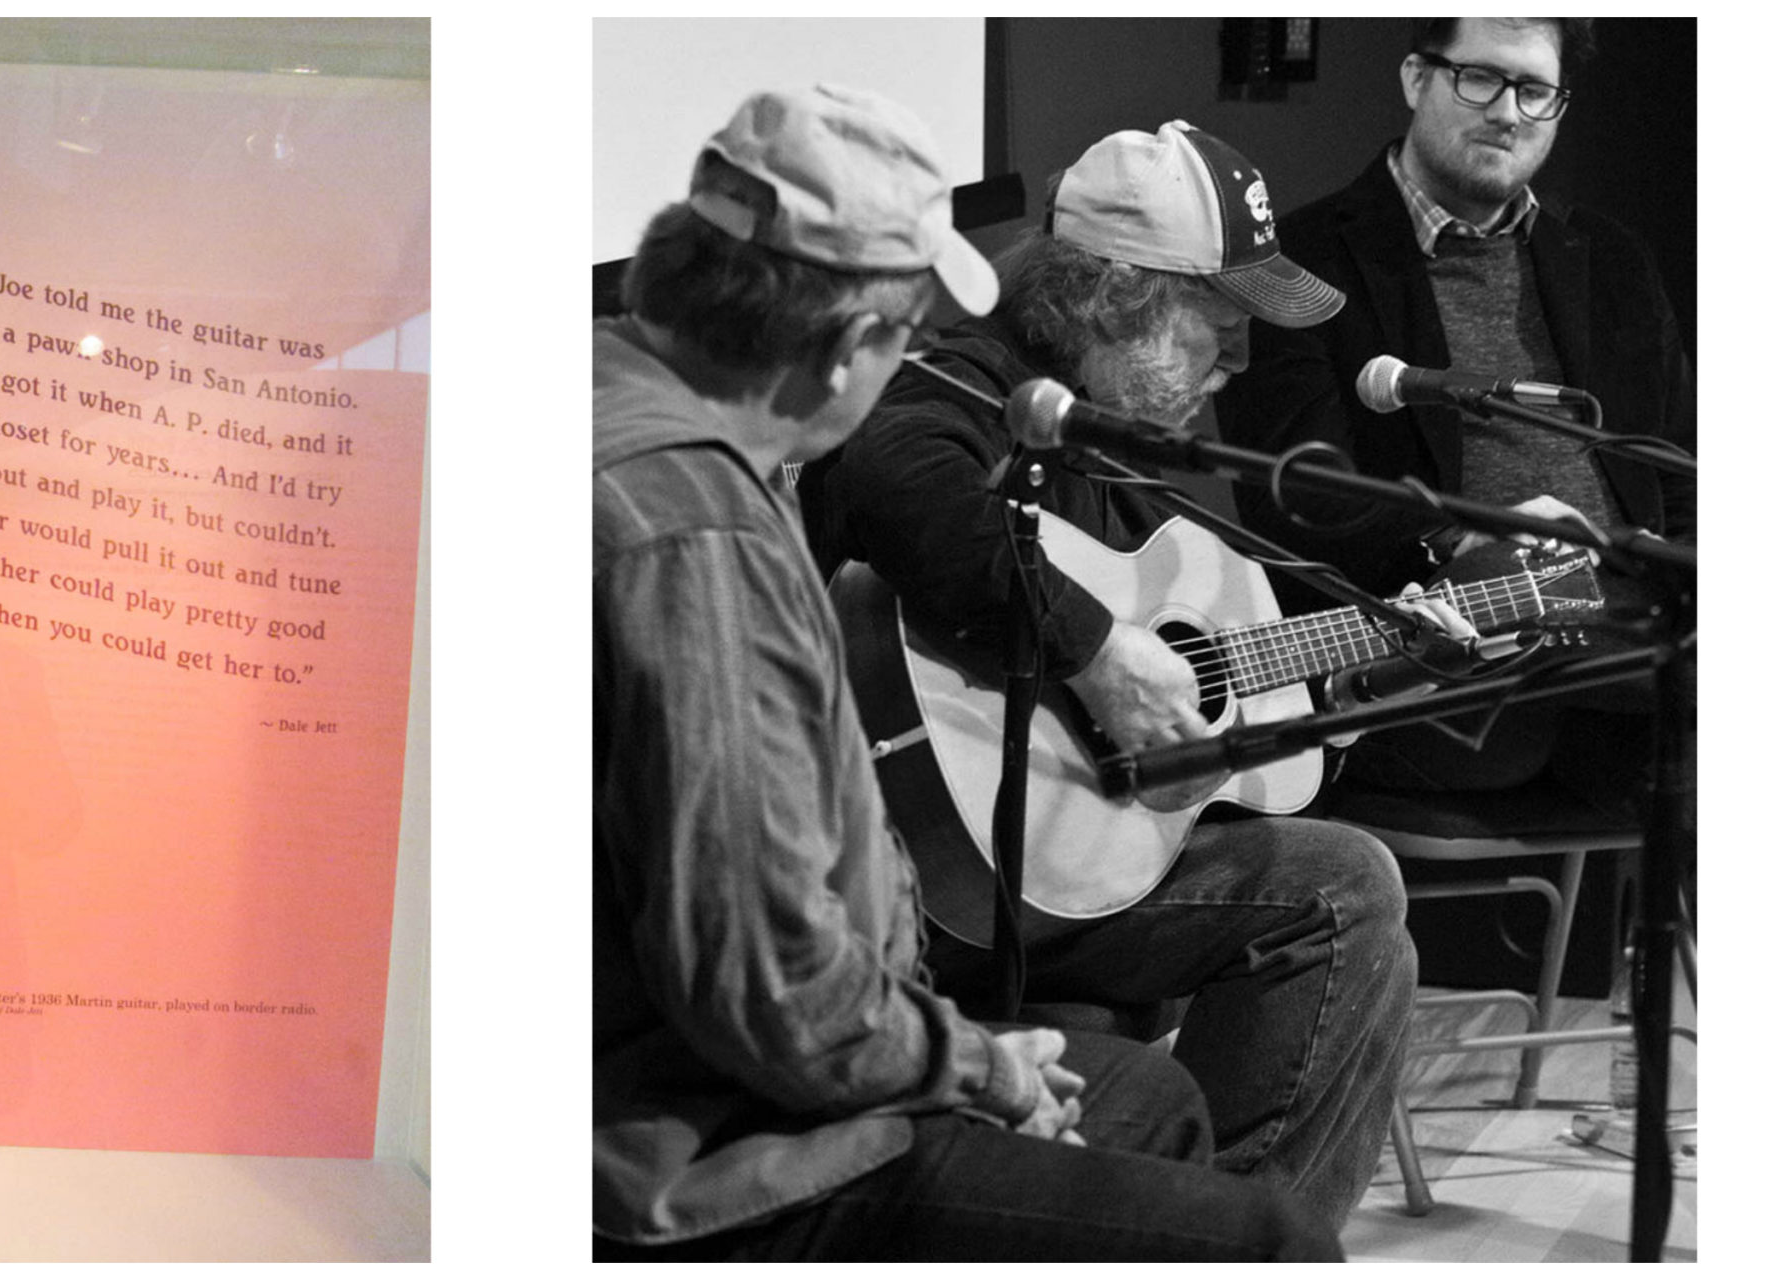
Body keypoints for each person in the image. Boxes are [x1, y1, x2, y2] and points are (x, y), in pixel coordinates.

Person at [595, 86, 1342, 1262]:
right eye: (903, 337)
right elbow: (769, 985)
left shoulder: (618, 406)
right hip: (722, 1155)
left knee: (1148, 1099)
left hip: (762, 1066)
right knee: (1263, 1239)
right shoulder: (699, 541)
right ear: (850, 346)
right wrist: (978, 1067)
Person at [797, 120, 1418, 1232]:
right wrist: (1093, 648)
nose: (1237, 366)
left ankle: (1228, 1235)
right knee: (1343, 889)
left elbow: (1219, 697)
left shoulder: (1123, 436)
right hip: (914, 878)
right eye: (1216, 330)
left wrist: (1356, 690)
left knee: (1349, 896)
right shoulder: (954, 386)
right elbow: (898, 485)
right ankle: (1230, 1239)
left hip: (1063, 866)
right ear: (1112, 298)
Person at [1212, 17, 1693, 796]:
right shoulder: (1305, 263)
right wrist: (1463, 534)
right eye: (1480, 78)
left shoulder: (1613, 260)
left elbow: (1681, 471)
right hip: (1448, 653)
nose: (1507, 112)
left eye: (1534, 90)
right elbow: (1294, 495)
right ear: (1415, 78)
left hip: (1632, 635)